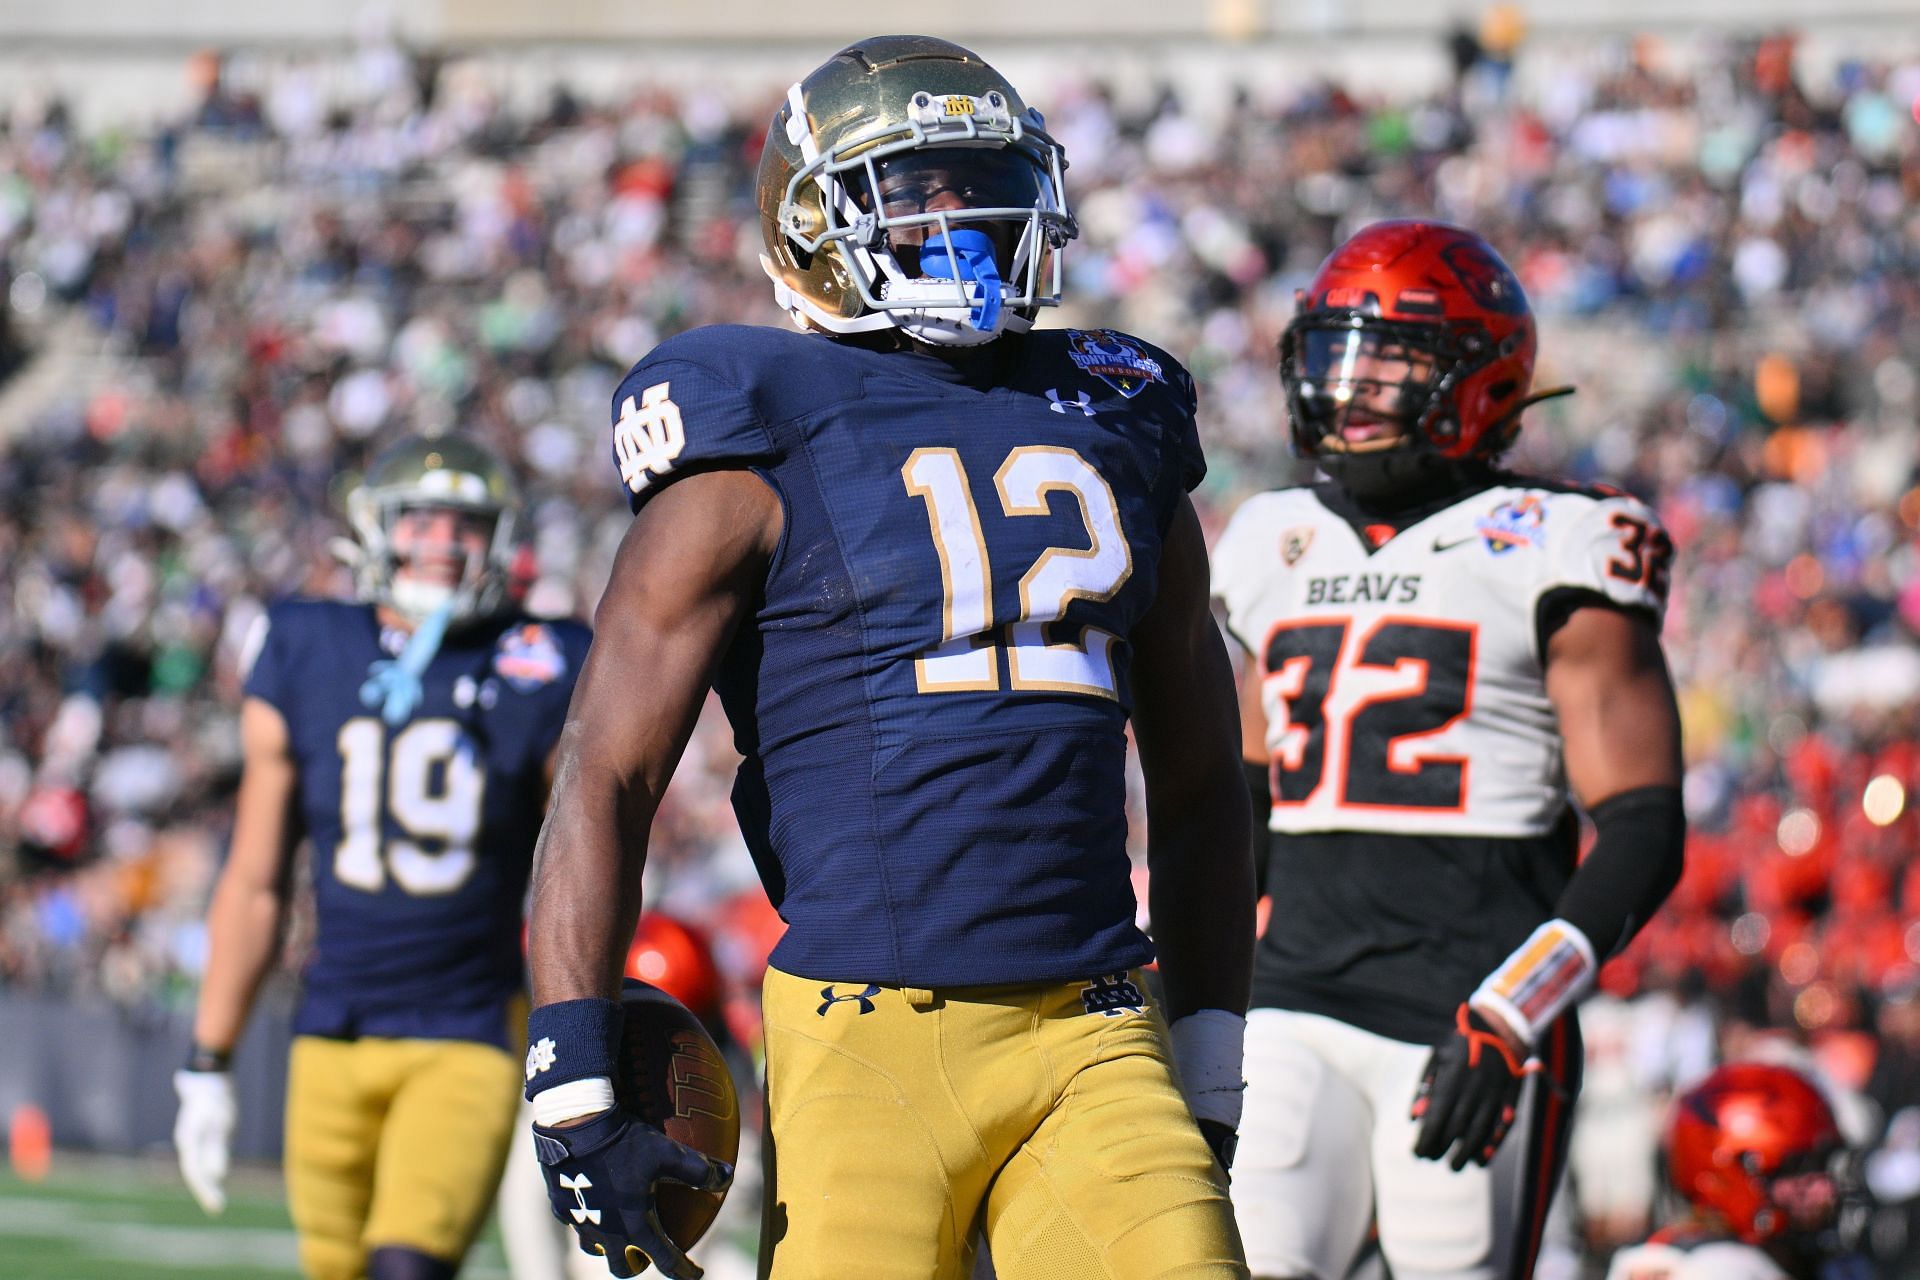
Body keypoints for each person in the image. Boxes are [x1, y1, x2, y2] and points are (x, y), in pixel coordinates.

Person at [517, 34, 1256, 1280]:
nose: (958, 216)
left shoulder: (1120, 411)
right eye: (912, 188)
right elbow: (608, 766)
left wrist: (1215, 1051)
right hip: (868, 1036)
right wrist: (573, 1070)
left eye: (980, 180)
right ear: (809, 218)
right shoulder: (753, 424)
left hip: (1099, 1028)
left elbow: (1199, 780)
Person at [1211, 219, 1686, 1280]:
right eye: (1340, 355)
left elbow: (1646, 827)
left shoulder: (1562, 541)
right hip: (1293, 996)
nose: (1354, 387)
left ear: (1481, 381)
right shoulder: (1269, 535)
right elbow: (1244, 806)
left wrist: (1513, 1012)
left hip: (1467, 1009)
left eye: (1393, 362)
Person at [172, 435, 591, 1280]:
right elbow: (256, 881)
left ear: (501, 540)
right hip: (331, 1029)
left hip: (467, 1030)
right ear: (373, 531)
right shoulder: (307, 643)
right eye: (421, 519)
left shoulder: (545, 658)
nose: (442, 541)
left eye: (465, 523)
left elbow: (586, 866)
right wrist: (206, 1062)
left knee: (410, 1269)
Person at [1607, 1062, 1853, 1279]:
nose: (1825, 1189)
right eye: (1802, 1170)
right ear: (1733, 1171)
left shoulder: (1655, 1256)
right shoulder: (1723, 1268)